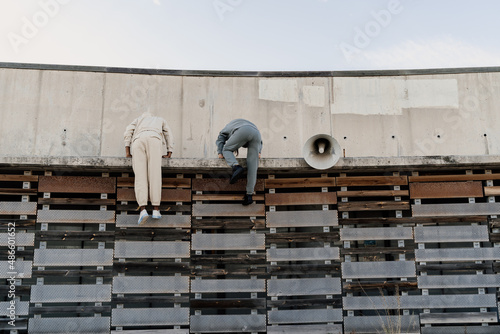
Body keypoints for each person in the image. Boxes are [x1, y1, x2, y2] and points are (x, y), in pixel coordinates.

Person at [124, 111, 174, 224]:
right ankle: (156, 209)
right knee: (154, 174)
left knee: (140, 176)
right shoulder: (160, 119)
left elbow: (128, 132)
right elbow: (168, 134)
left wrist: (127, 151)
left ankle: (143, 209)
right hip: (154, 139)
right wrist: (169, 151)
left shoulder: (138, 120)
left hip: (138, 140)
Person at [216, 119, 262, 205]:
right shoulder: (240, 123)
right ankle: (249, 195)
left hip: (243, 130)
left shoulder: (227, 128)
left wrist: (220, 152)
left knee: (226, 149)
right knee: (253, 166)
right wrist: (259, 151)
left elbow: (221, 137)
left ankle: (236, 166)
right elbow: (260, 142)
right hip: (257, 134)